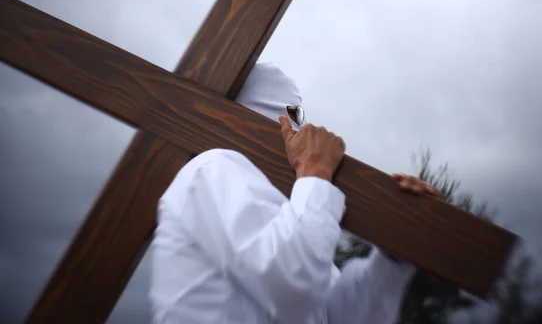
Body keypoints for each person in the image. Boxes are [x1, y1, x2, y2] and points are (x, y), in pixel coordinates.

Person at [149, 62, 441, 324]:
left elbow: (335, 314)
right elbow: (292, 287)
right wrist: (315, 171)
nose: (301, 136)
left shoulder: (291, 215)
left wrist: (393, 253)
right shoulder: (211, 171)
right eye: (291, 121)